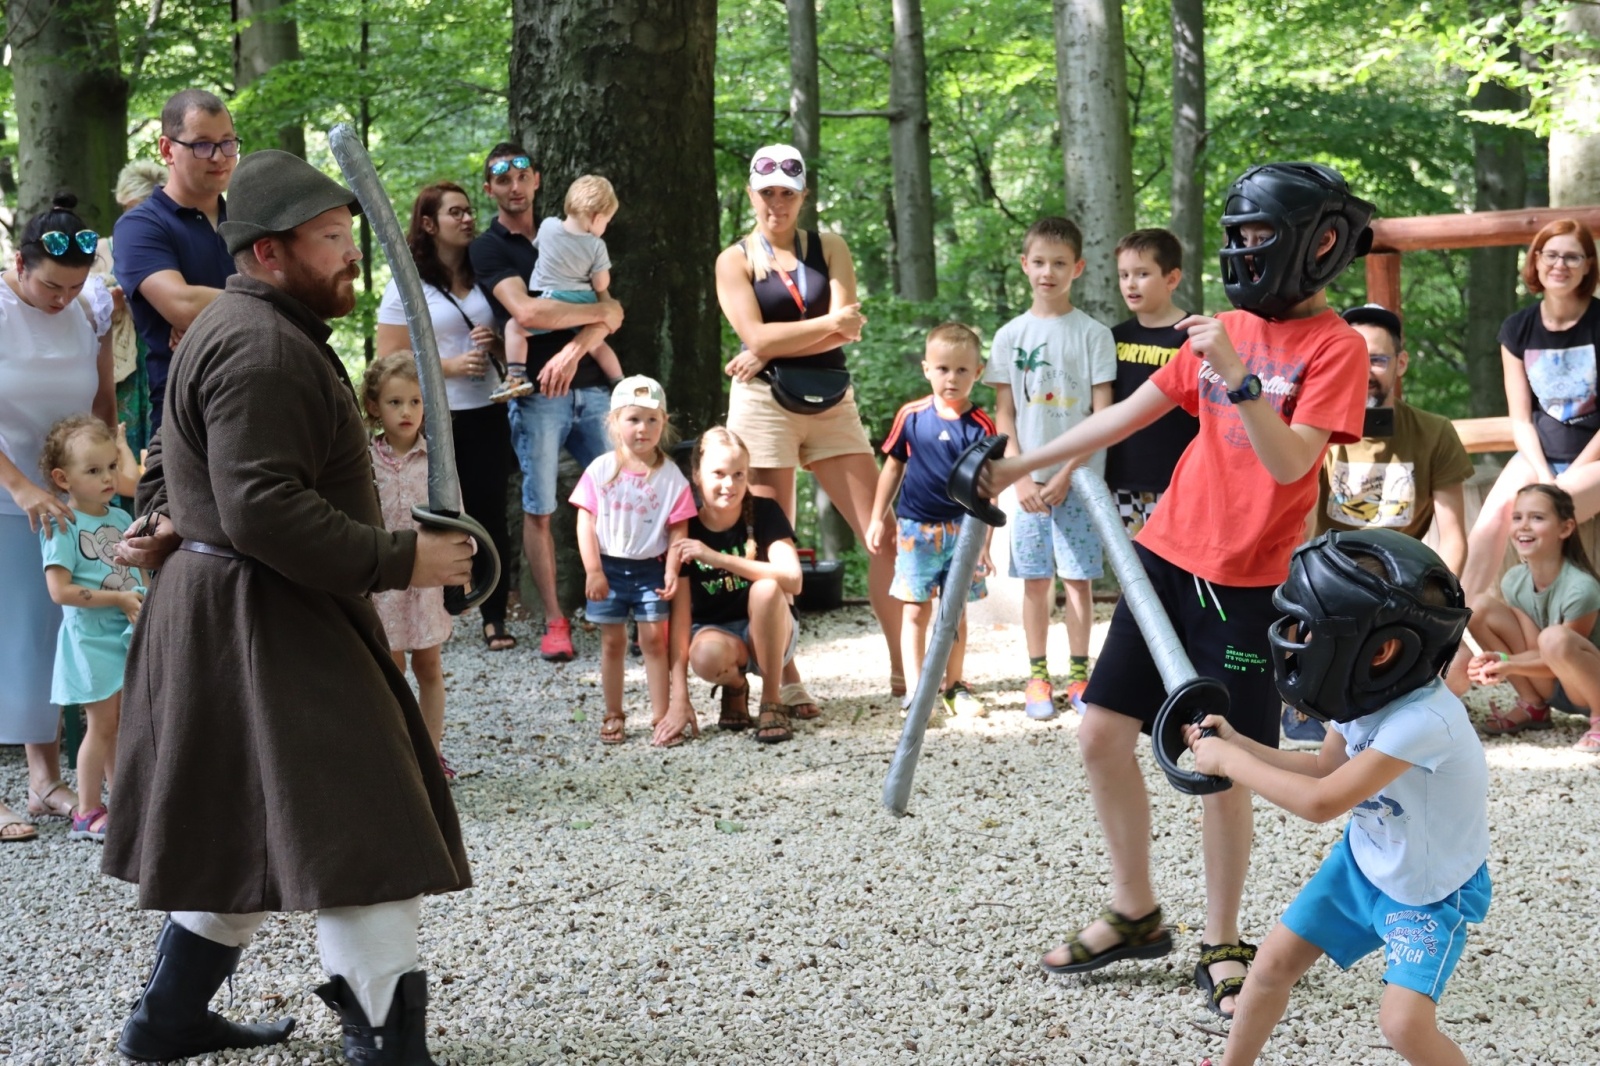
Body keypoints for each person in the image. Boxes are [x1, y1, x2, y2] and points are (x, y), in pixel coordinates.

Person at [979, 162, 1373, 1018]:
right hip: (1163, 559)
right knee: (1098, 737)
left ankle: (1222, 939)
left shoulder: (1333, 347)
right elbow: (1123, 417)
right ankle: (1137, 910)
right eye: (1238, 239)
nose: (1245, 254)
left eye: (1260, 239)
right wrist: (1016, 463)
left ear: (1317, 244)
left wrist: (1236, 374)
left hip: (1251, 588)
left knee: (1218, 761)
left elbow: (1291, 462)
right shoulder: (1224, 325)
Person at [105, 149, 473, 1064]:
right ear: (268, 253)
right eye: (329, 240)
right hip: (265, 617)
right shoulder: (262, 346)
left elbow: (168, 454)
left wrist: (162, 517)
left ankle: (168, 1021)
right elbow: (262, 507)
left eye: (349, 236)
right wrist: (402, 556)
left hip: (243, 609)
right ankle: (387, 1047)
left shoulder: (232, 329)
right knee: (365, 828)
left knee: (244, 819)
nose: (351, 256)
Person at [1185, 529, 1488, 1066]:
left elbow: (1322, 801)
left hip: (1428, 894)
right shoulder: (1362, 693)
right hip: (1361, 866)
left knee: (1401, 1022)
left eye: (1311, 629)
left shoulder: (1424, 721)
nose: (1296, 638)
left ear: (1383, 649)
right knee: (1270, 968)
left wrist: (1232, 764)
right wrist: (1239, 742)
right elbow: (1326, 766)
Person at [715, 142, 903, 713]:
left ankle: (905, 667)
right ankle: (786, 677)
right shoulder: (735, 259)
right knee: (776, 547)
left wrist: (776, 344)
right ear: (751, 194)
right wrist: (798, 335)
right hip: (763, 405)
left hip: (832, 400)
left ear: (803, 196)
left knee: (884, 533)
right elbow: (765, 337)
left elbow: (851, 331)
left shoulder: (829, 247)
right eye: (767, 193)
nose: (777, 204)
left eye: (788, 194)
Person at [1288, 302, 1477, 738]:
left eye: (1377, 358)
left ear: (1400, 363)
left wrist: (1437, 606)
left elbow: (1454, 536)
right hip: (1330, 590)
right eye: (1354, 357)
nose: (1366, 369)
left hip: (1405, 589)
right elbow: (1296, 527)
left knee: (1461, 671)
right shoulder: (1314, 432)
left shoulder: (1433, 432)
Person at [468, 142, 622, 662]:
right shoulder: (488, 248)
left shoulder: (571, 230)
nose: (513, 187)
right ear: (489, 188)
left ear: (536, 181)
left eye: (522, 177)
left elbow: (615, 311)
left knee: (622, 493)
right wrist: (586, 316)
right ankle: (556, 622)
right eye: (500, 179)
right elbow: (525, 315)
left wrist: (576, 349)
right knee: (540, 507)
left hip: (594, 388)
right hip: (536, 397)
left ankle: (629, 607)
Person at [0, 195, 116, 844]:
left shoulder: (90, 305)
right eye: (50, 284)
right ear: (20, 263)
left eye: (74, 287)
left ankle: (43, 780)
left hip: (61, 497)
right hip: (8, 490)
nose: (62, 299)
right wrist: (18, 486)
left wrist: (101, 475)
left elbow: (101, 399)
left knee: (45, 637)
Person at [982, 216, 1117, 719]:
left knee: (1079, 581)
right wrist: (1019, 474)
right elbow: (1005, 413)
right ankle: (1037, 678)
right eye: (1039, 262)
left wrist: (1066, 475)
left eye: (1059, 263)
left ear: (1077, 268)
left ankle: (1080, 677)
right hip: (1027, 485)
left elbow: (1103, 416)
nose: (1048, 272)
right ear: (1025, 265)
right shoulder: (1010, 335)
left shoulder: (1094, 335)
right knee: (1036, 582)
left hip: (1081, 481)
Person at [375, 181, 516, 651]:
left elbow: (510, 330)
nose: (468, 218)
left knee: (491, 509)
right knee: (445, 514)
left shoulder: (487, 273)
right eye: (455, 212)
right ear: (429, 224)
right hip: (435, 418)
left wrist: (495, 347)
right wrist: (450, 366)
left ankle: (494, 613)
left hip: (488, 410)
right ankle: (447, 607)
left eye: (470, 210)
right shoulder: (407, 283)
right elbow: (389, 360)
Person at [867, 323, 997, 719]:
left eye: (961, 370)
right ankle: (917, 690)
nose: (951, 378)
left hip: (964, 529)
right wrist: (877, 518)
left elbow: (987, 487)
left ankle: (954, 684)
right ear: (927, 369)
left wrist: (985, 543)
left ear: (978, 372)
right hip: (915, 530)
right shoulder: (912, 417)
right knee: (914, 610)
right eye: (942, 369)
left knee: (954, 610)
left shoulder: (982, 426)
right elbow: (892, 469)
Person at [659, 427, 804, 746]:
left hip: (772, 630)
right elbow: (681, 621)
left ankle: (771, 700)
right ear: (696, 475)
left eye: (739, 475)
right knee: (706, 654)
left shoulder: (764, 511)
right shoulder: (687, 527)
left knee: (766, 589)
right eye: (719, 474)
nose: (729, 485)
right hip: (717, 636)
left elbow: (793, 579)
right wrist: (679, 698)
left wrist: (717, 559)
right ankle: (736, 687)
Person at [571, 376, 696, 745]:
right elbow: (585, 521)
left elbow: (679, 528)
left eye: (652, 420)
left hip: (649, 569)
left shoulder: (671, 476)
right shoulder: (600, 469)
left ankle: (661, 716)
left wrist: (672, 569)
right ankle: (613, 713)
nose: (643, 428)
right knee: (612, 642)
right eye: (634, 419)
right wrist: (593, 569)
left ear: (664, 422)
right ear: (614, 421)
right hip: (608, 567)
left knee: (654, 640)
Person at [38, 415, 145, 843]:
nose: (107, 478)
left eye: (111, 467)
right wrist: (120, 599)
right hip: (90, 641)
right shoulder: (61, 523)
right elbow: (60, 591)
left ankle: (122, 804)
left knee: (118, 722)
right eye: (94, 470)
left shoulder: (120, 518)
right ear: (63, 478)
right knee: (100, 725)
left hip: (123, 636)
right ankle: (86, 812)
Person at [112, 89, 238, 435]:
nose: (219, 157)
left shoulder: (249, 219)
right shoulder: (140, 226)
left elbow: (302, 298)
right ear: (167, 149)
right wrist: (271, 301)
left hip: (261, 399)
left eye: (228, 143)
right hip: (185, 415)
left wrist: (210, 315)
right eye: (202, 144)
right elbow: (181, 306)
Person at [362, 353, 458, 777]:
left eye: (416, 402)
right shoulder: (363, 459)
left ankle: (430, 754)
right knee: (391, 669)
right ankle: (397, 759)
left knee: (429, 666)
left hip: (426, 584)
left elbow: (457, 516)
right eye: (395, 402)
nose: (407, 412)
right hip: (383, 580)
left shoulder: (437, 459)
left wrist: (460, 566)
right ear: (373, 407)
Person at [1465, 483, 1600, 751]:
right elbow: (1534, 647)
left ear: (1566, 528)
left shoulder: (1581, 588)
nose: (1524, 526)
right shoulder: (1514, 580)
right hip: (1551, 682)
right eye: (1518, 518)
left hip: (1586, 685)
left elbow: (1557, 655)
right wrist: (1499, 660)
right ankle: (1533, 706)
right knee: (1478, 608)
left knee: (1555, 638)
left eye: (1537, 518)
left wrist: (1508, 665)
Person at [1107, 228, 1197, 538]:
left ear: (1172, 279)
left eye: (1142, 274)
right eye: (1124, 275)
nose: (1130, 283)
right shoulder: (1113, 338)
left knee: (1174, 572)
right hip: (1123, 481)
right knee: (1135, 570)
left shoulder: (1193, 336)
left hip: (1181, 481)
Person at [522, 174, 625, 384]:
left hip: (553, 300)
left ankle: (515, 374)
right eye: (607, 221)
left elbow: (538, 247)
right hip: (585, 300)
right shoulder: (596, 245)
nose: (604, 227)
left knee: (513, 330)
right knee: (597, 345)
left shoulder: (549, 226)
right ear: (596, 218)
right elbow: (600, 284)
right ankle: (619, 380)